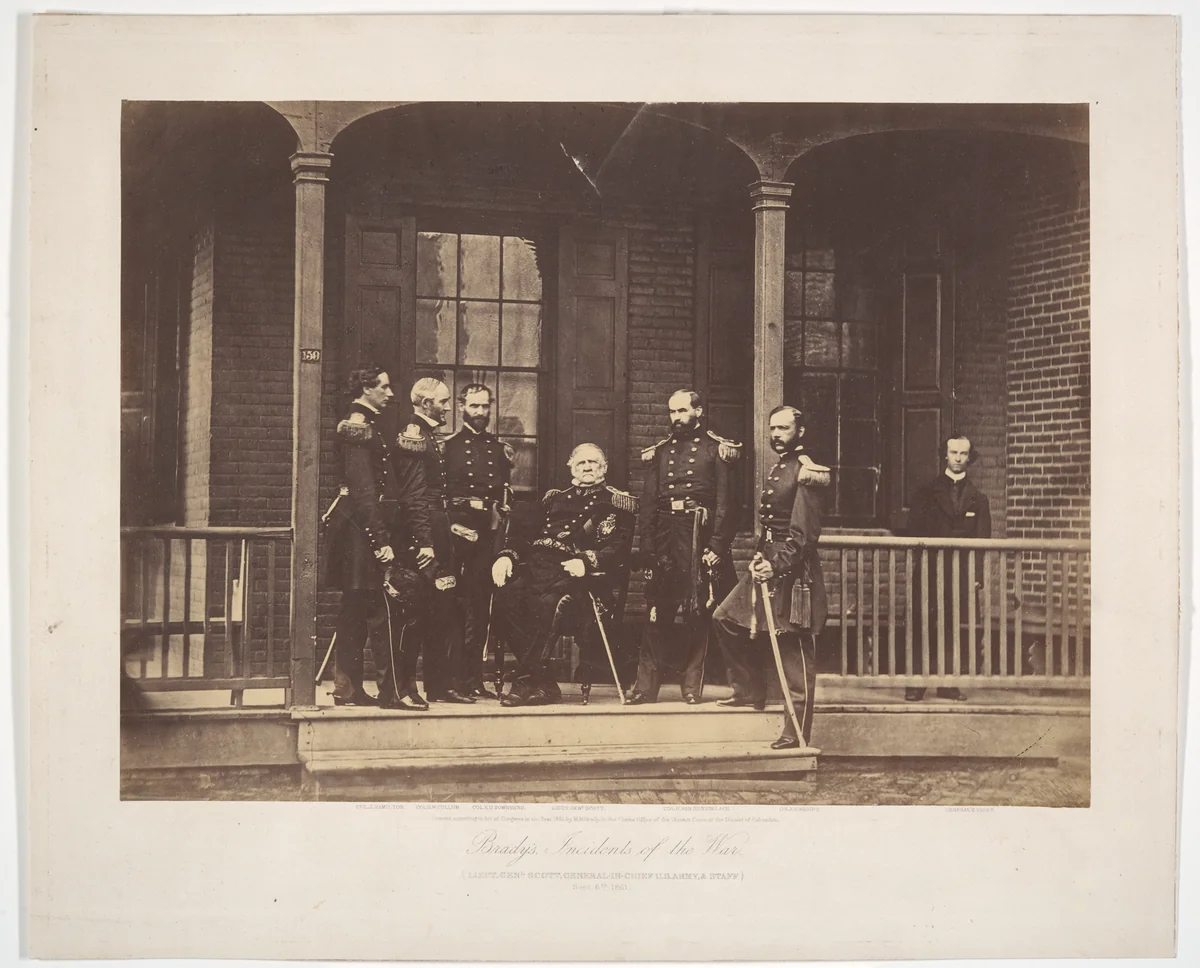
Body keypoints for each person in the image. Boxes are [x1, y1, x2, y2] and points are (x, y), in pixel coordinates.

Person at [712, 405, 829, 750]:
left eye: (784, 429)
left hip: (794, 574)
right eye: (773, 428)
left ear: (800, 432)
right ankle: (749, 690)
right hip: (767, 563)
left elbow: (803, 536)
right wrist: (760, 559)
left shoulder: (808, 472)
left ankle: (795, 732)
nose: (776, 434)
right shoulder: (780, 467)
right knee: (725, 618)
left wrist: (776, 565)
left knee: (794, 655)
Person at [489, 443, 636, 707]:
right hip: (538, 568)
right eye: (582, 463)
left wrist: (586, 560)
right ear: (571, 468)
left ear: (604, 468)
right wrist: (506, 556)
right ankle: (544, 683)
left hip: (579, 577)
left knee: (548, 604)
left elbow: (618, 547)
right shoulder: (555, 498)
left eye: (594, 462)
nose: (588, 467)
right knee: (505, 597)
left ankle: (524, 682)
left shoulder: (616, 502)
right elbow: (529, 537)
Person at [323, 364, 434, 709]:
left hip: (355, 529)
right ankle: (390, 692)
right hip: (359, 531)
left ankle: (347, 688)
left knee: (354, 609)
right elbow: (364, 493)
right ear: (365, 390)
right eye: (383, 387)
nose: (390, 394)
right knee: (378, 608)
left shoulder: (366, 426)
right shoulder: (358, 428)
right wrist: (380, 540)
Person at [630, 389, 741, 704]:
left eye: (682, 411)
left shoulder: (716, 450)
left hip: (698, 536)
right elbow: (649, 506)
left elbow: (726, 506)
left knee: (698, 613)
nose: (676, 418)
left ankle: (692, 687)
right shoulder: (660, 452)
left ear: (698, 411)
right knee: (656, 610)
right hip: (666, 537)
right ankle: (644, 687)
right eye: (672, 412)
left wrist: (717, 546)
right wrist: (648, 548)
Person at [394, 377, 475, 705]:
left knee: (443, 608)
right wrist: (425, 543)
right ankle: (409, 687)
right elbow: (414, 496)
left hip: (437, 533)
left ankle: (440, 686)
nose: (446, 406)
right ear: (426, 404)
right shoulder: (414, 436)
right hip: (423, 537)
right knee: (418, 612)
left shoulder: (427, 434)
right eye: (442, 401)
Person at [905, 435, 992, 702]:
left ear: (970, 457)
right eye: (953, 452)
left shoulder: (978, 498)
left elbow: (982, 540)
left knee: (957, 625)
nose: (958, 458)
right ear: (945, 455)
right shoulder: (925, 493)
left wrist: (977, 576)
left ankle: (948, 683)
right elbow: (914, 532)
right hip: (931, 570)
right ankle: (918, 682)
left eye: (963, 454)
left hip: (962, 574)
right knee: (924, 623)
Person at [442, 383, 515, 699]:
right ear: (461, 407)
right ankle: (454, 680)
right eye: (474, 406)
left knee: (481, 607)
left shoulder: (499, 450)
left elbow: (505, 494)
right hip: (457, 534)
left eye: (485, 406)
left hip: (487, 537)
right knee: (456, 607)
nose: (481, 413)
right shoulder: (448, 448)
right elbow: (439, 497)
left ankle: (474, 679)